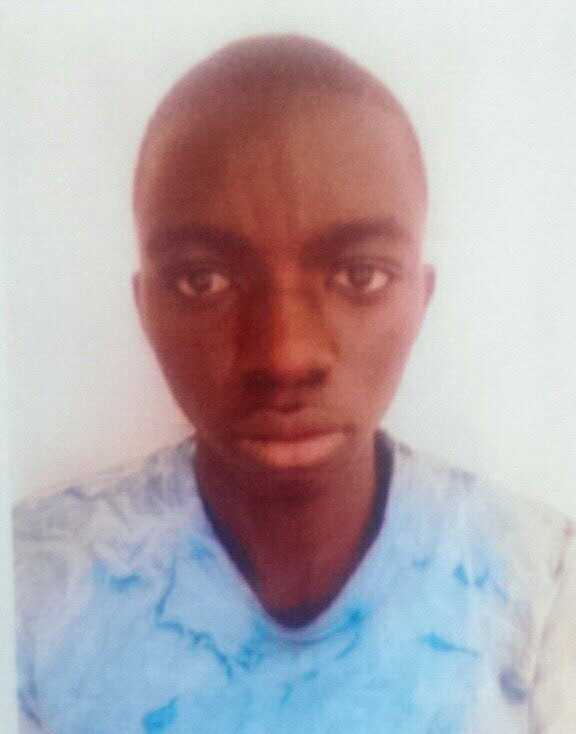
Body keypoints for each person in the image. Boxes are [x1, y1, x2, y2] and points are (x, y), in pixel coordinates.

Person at [12, 34, 576, 734]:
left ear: (420, 298)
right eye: (202, 280)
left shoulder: (539, 584)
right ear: (144, 307)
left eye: (360, 275)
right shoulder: (33, 588)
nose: (284, 356)